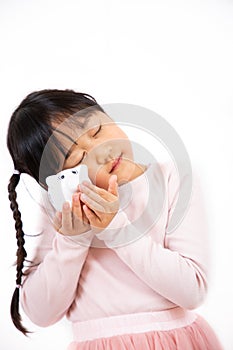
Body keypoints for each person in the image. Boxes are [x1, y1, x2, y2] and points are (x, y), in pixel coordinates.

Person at [7, 89, 223, 350]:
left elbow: (193, 290)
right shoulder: (62, 211)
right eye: (77, 158)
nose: (102, 151)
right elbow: (41, 314)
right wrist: (72, 241)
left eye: (97, 130)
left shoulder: (172, 177)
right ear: (59, 180)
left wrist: (114, 227)